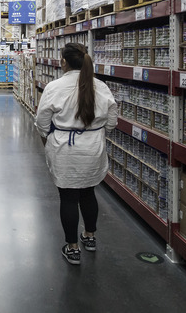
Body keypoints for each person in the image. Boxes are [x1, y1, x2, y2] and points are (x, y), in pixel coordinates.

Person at [34, 42, 118, 265]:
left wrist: (48, 139)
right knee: (88, 192)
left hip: (65, 148)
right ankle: (90, 237)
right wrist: (94, 133)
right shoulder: (101, 86)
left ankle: (72, 248)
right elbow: (111, 123)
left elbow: (41, 122)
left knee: (69, 197)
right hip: (93, 149)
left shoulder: (55, 87)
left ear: (63, 62)